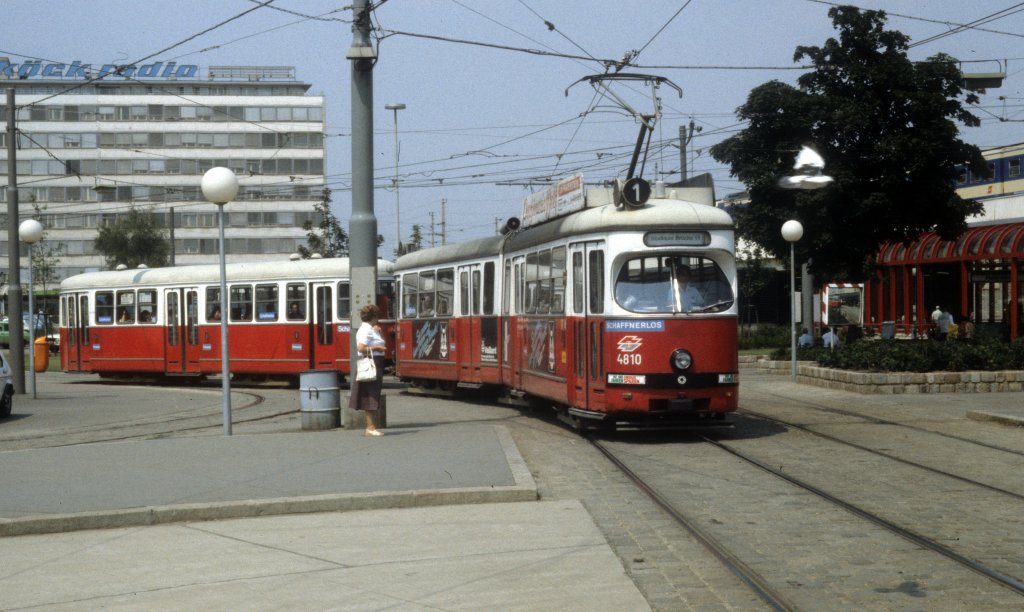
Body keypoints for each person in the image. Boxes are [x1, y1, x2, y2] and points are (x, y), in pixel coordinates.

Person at [349, 303, 387, 436]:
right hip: (372, 362)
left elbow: (379, 343)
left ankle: (371, 427)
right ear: (374, 316)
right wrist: (376, 348)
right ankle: (370, 428)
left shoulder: (370, 329)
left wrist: (378, 332)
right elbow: (360, 348)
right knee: (370, 393)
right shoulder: (366, 330)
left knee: (372, 393)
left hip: (376, 362)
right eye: (377, 316)